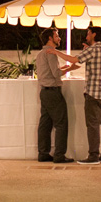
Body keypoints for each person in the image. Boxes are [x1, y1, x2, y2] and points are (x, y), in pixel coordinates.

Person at [45, 25, 101, 165]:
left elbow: (74, 60)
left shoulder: (93, 49)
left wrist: (56, 53)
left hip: (94, 92)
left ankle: (93, 156)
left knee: (93, 125)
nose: (86, 36)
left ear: (94, 34)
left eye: (88, 33)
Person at [34, 28, 79, 163]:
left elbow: (51, 71)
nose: (59, 38)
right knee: (61, 123)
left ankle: (43, 153)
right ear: (50, 38)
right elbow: (56, 73)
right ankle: (59, 155)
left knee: (45, 124)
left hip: (44, 92)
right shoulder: (51, 53)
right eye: (57, 35)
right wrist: (70, 68)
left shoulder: (41, 53)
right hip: (53, 92)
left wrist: (67, 68)